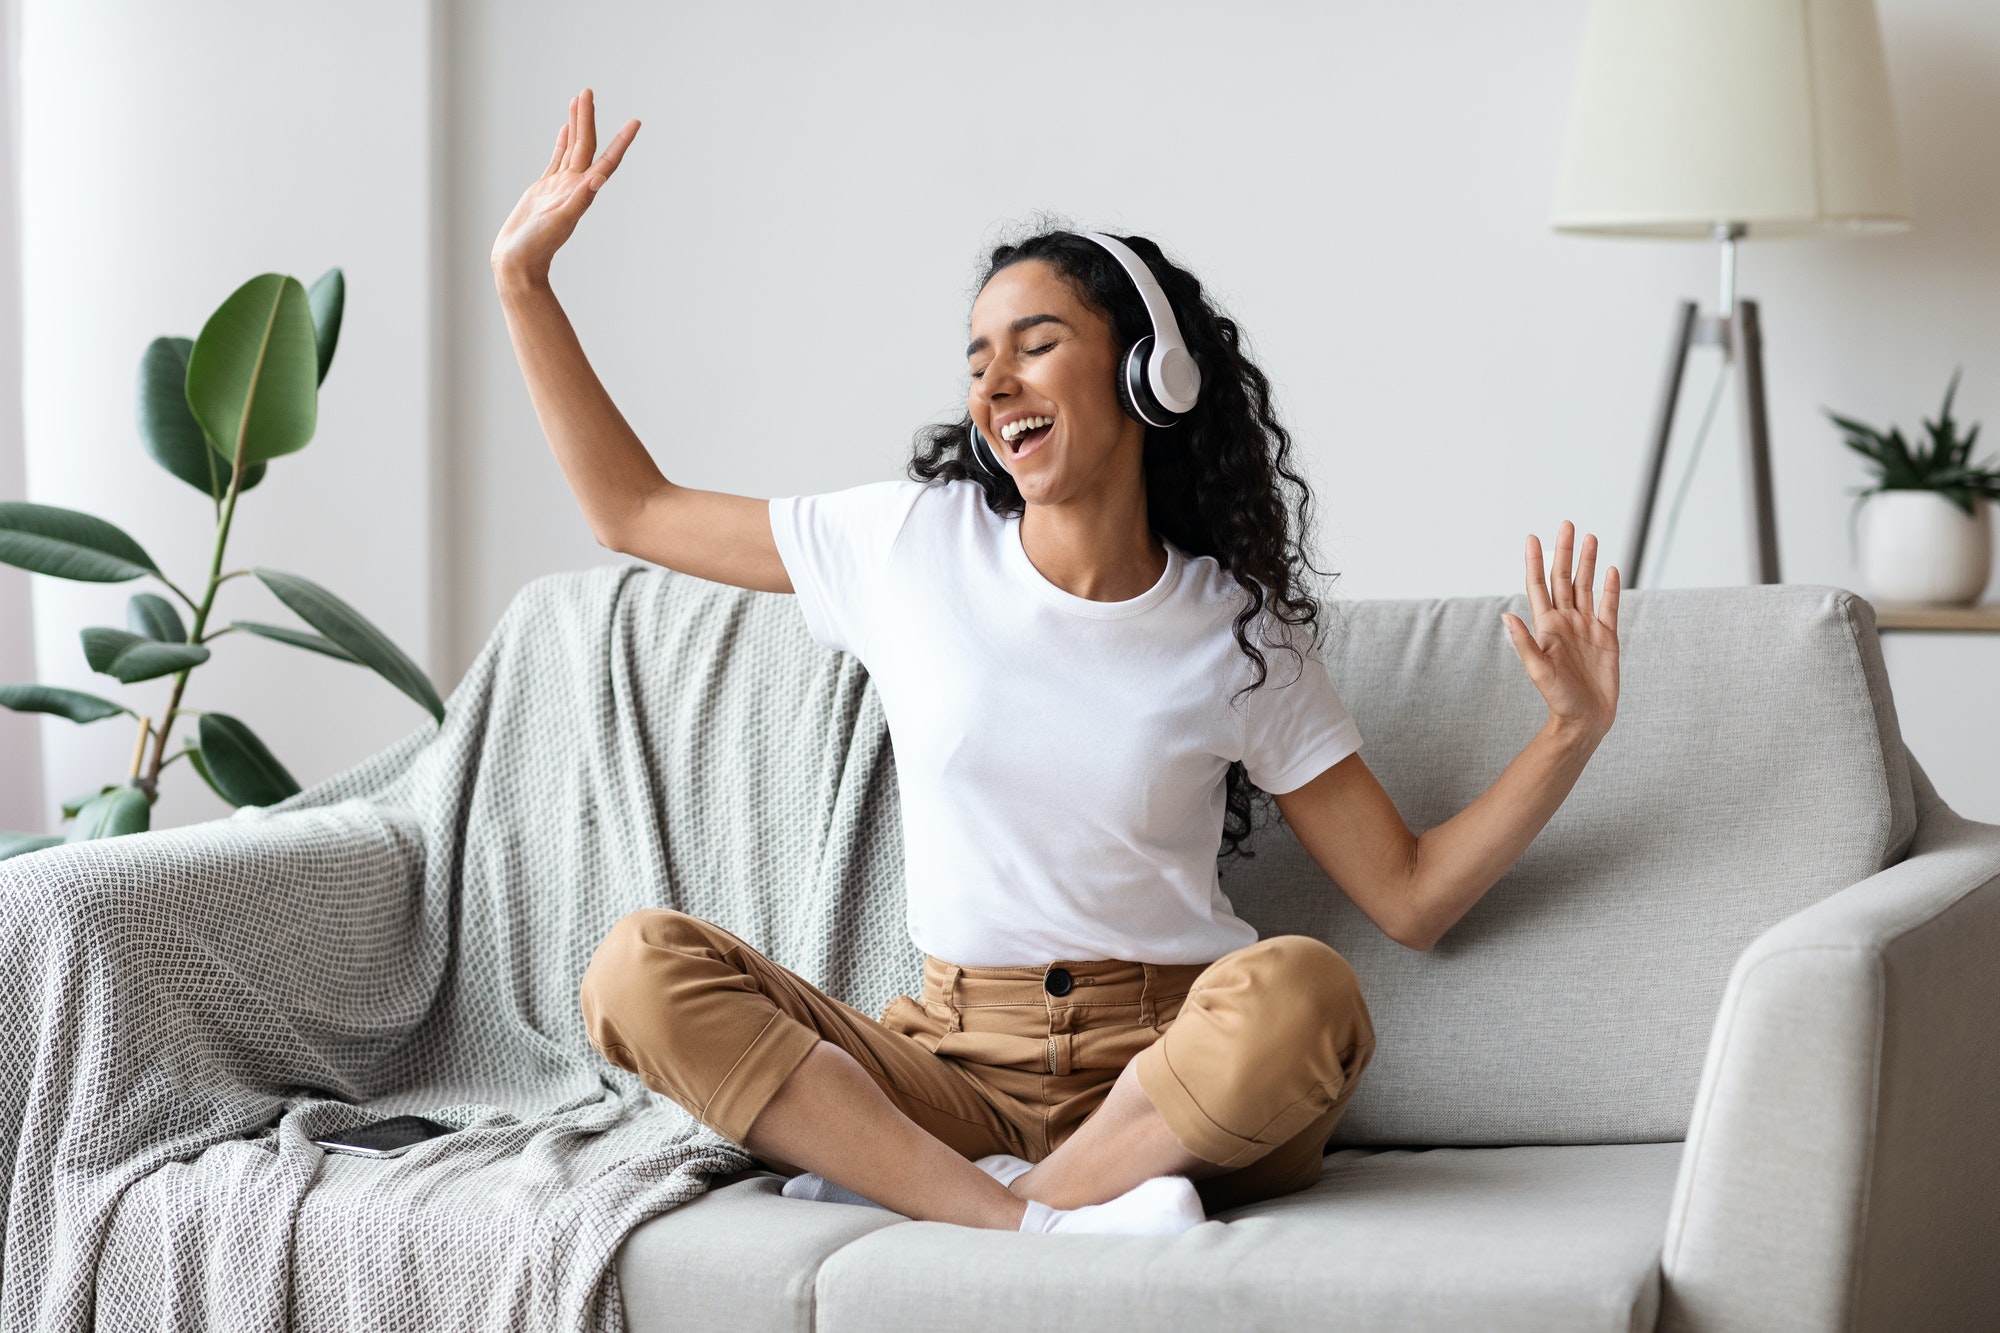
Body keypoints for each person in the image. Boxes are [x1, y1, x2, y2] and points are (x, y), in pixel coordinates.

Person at [489, 89, 1621, 1236]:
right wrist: (523, 286)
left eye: (1036, 344)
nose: (993, 383)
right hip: (947, 1069)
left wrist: (1568, 732)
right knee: (638, 967)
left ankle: (958, 1196)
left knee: (1306, 991)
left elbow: (1410, 898)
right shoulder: (907, 544)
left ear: (1148, 378)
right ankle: (1043, 1224)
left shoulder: (1233, 627)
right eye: (978, 358)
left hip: (1170, 1072)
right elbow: (631, 509)